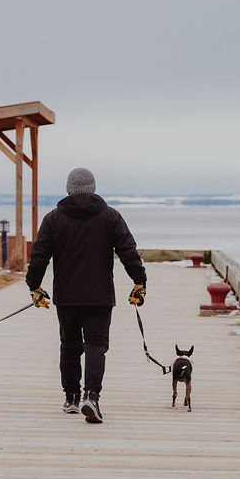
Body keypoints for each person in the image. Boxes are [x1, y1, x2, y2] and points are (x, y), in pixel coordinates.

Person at [25, 167, 147, 424]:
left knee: (69, 346)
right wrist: (139, 281)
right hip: (100, 297)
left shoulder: (53, 219)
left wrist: (34, 286)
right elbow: (128, 251)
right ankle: (91, 396)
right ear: (93, 189)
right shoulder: (111, 217)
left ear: (68, 189)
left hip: (67, 297)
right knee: (96, 346)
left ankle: (71, 397)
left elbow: (39, 256)